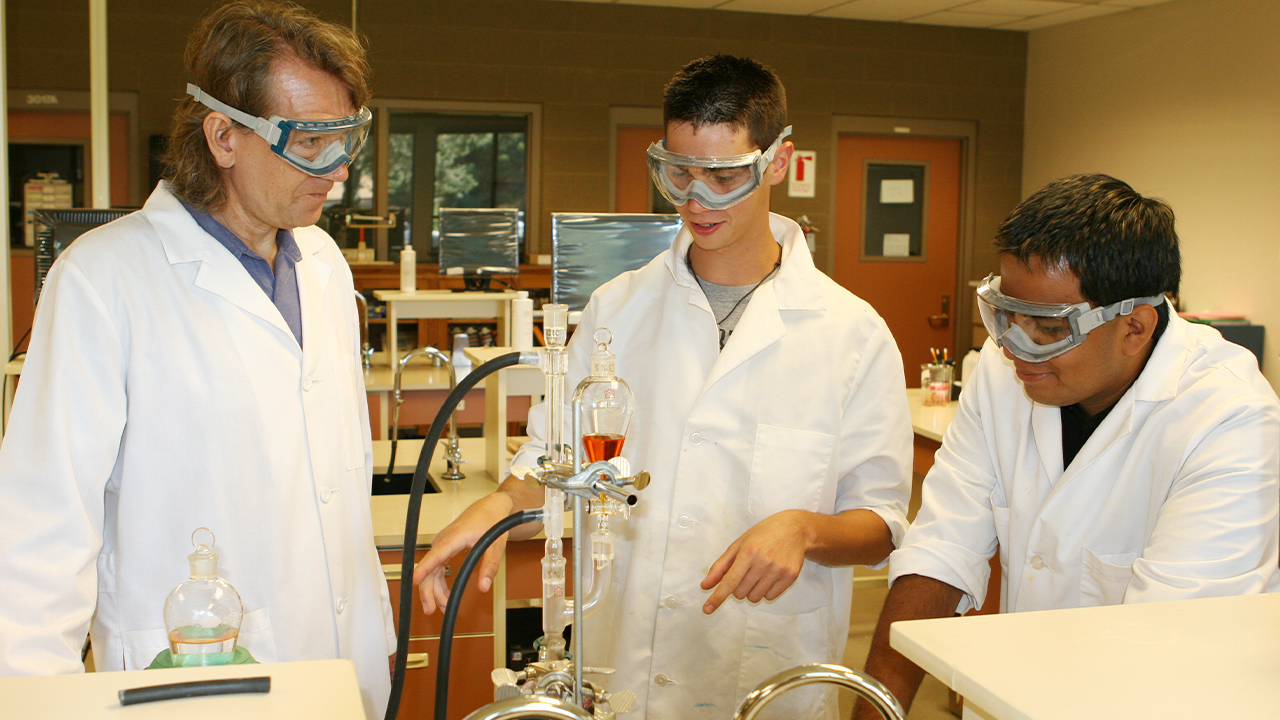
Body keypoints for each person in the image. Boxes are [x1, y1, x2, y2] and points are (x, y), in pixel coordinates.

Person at [414, 55, 912, 719]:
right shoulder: (619, 308)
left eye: (725, 176)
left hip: (767, 673)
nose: (696, 199)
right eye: (679, 172)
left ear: (779, 163)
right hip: (627, 670)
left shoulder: (852, 333)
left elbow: (880, 524)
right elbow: (555, 462)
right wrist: (500, 506)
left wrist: (805, 531)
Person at [0, 2, 395, 717]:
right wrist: (32, 700)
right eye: (311, 142)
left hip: (342, 669)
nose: (338, 170)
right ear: (223, 136)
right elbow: (40, 529)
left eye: (346, 139)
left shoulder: (324, 264)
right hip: (193, 675)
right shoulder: (104, 278)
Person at [857, 174, 1280, 717]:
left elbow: (1167, 649)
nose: (1013, 347)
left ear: (1135, 327)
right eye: (1004, 315)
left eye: (1048, 329)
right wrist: (875, 710)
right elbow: (942, 549)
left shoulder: (1230, 421)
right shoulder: (1004, 374)